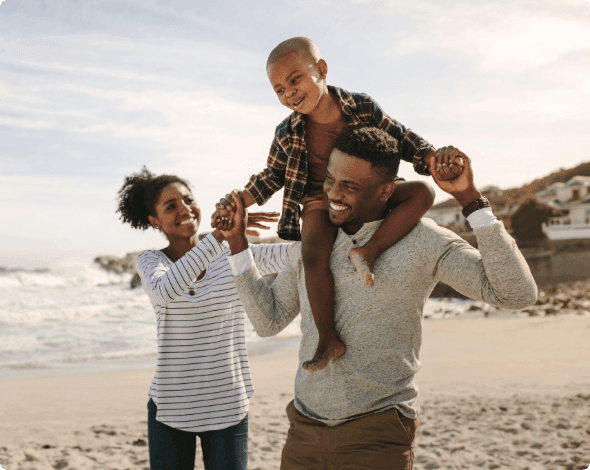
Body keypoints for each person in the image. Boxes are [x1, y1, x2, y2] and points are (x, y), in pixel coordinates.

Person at [216, 127, 537, 469]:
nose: (333, 194)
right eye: (330, 179)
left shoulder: (423, 240)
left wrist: (470, 199)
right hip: (305, 430)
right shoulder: (315, 240)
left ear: (386, 190)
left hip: (378, 432)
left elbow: (516, 293)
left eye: (349, 186)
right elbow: (269, 321)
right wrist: (238, 244)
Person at [212, 37, 463, 372]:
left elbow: (402, 138)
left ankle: (369, 251)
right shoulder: (286, 132)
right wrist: (240, 199)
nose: (289, 94)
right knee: (312, 251)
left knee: (422, 194)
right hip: (322, 200)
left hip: (368, 193)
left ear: (321, 70)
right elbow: (272, 175)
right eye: (278, 90)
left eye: (295, 80)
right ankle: (327, 337)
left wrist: (433, 158)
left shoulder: (361, 107)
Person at [116, 167, 288, 470]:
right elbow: (165, 289)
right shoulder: (151, 261)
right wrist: (219, 237)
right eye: (171, 206)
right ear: (154, 221)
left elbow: (298, 255)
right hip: (171, 408)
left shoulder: (234, 253)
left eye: (188, 199)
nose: (185, 209)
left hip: (228, 405)